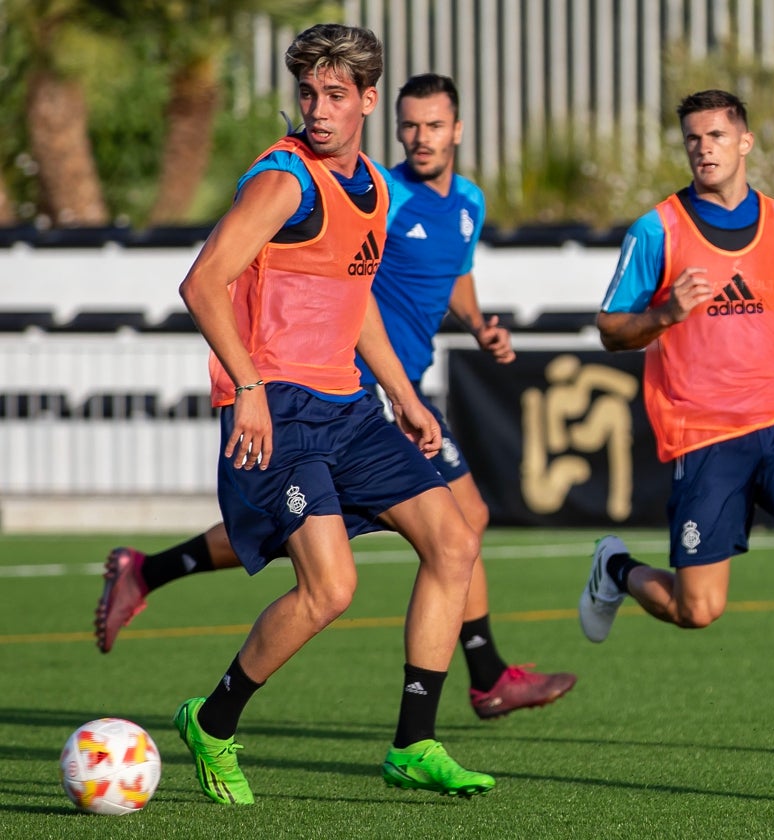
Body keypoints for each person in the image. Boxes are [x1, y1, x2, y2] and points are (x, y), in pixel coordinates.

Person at [94, 73, 576, 722]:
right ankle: (485, 675)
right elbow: (336, 286)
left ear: (457, 130)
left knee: (344, 534)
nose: (420, 137)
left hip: (387, 388)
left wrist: (478, 323)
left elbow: (452, 274)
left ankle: (147, 573)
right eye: (411, 125)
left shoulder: (467, 202)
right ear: (391, 121)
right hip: (339, 386)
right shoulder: (381, 192)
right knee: (437, 530)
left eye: (434, 125)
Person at [169, 25, 497, 805]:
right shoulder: (284, 181)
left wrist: (406, 398)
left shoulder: (378, 191)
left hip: (348, 405)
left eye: (335, 96)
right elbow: (203, 281)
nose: (317, 110)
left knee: (454, 539)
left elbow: (354, 310)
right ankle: (213, 722)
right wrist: (246, 390)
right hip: (277, 408)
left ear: (368, 100)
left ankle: (414, 742)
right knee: (331, 589)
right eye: (309, 94)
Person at [583, 89, 774, 756]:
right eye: (693, 137)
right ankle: (617, 569)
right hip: (704, 433)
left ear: (745, 142)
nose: (703, 147)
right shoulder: (657, 231)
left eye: (717, 135)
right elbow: (609, 329)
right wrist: (664, 315)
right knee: (700, 610)